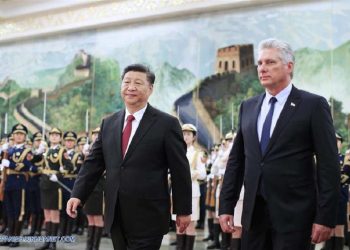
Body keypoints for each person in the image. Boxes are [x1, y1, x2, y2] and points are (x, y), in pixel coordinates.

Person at [219, 38, 340, 250]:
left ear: (289, 66)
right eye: (260, 63)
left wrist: (325, 216)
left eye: (270, 62)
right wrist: (226, 206)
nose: (262, 68)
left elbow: (328, 164)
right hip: (254, 217)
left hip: (295, 217)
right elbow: (237, 161)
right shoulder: (248, 107)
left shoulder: (312, 105)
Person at [67, 63, 192, 250]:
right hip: (115, 214)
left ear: (150, 89)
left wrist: (182, 210)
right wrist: (78, 194)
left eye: (138, 83)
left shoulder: (167, 124)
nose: (131, 87)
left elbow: (180, 170)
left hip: (149, 215)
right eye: (127, 82)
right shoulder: (109, 123)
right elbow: (93, 163)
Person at [0, 124, 37, 247]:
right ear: (13, 136)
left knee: (19, 212)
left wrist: (9, 164)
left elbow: (27, 166)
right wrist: (2, 153)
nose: (18, 136)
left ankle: (16, 238)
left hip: (19, 182)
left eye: (21, 134)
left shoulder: (27, 151)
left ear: (25, 136)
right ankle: (10, 237)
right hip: (9, 182)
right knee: (9, 212)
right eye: (16, 134)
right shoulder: (9, 150)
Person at [36, 127, 73, 250]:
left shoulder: (62, 151)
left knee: (54, 215)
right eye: (52, 135)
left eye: (57, 135)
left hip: (55, 185)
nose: (54, 137)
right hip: (45, 184)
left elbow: (70, 166)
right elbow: (34, 162)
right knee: (47, 214)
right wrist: (38, 151)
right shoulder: (45, 150)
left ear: (60, 137)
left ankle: (53, 243)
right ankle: (47, 242)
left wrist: (58, 174)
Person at [172, 123, 206, 249]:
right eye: (183, 134)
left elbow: (203, 174)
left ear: (193, 137)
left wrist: (191, 174)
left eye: (188, 134)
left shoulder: (198, 154)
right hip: (176, 192)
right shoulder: (176, 151)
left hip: (192, 192)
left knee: (190, 225)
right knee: (178, 224)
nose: (185, 137)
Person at [82, 127, 105, 250]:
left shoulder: (106, 149)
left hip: (100, 186)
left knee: (98, 218)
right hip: (89, 187)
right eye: (94, 134)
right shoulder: (88, 149)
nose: (96, 136)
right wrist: (84, 156)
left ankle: (95, 247)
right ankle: (89, 246)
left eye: (98, 134)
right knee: (90, 218)